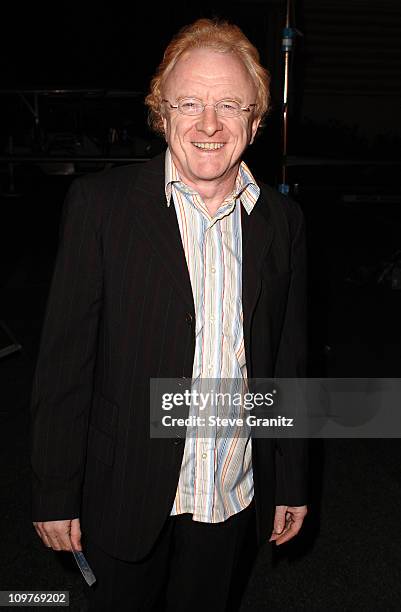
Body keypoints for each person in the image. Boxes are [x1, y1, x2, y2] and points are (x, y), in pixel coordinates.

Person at [31, 17, 308, 612]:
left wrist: (291, 477)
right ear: (162, 115)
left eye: (230, 105)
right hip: (122, 490)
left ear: (256, 122)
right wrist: (55, 490)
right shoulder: (101, 207)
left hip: (230, 491)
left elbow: (287, 357)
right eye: (189, 103)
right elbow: (64, 365)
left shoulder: (282, 222)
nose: (209, 124)